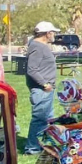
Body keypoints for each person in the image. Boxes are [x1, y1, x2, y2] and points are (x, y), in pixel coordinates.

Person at [25, 21, 60, 154]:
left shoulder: (41, 46)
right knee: (40, 118)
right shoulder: (37, 47)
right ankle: (32, 147)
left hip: (46, 88)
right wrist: (44, 84)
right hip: (41, 89)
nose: (54, 35)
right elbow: (32, 69)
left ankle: (43, 145)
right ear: (47, 33)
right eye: (53, 32)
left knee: (47, 118)